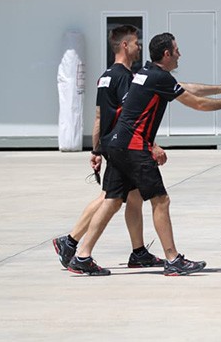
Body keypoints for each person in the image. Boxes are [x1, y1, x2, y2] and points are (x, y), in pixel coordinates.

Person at [67, 32, 221, 276]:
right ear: (167, 54)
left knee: (112, 200)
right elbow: (195, 103)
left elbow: (187, 89)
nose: (180, 54)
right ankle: (172, 259)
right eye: (177, 50)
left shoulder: (146, 74)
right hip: (133, 147)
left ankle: (82, 256)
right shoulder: (158, 77)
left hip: (117, 145)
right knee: (161, 200)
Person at [53, 25, 167, 269]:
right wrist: (152, 145)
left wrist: (96, 150)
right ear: (124, 45)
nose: (139, 47)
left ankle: (138, 252)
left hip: (110, 143)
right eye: (136, 42)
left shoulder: (104, 77)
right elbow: (131, 116)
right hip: (124, 146)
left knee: (133, 197)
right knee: (110, 198)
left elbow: (97, 117)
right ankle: (71, 241)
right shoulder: (124, 78)